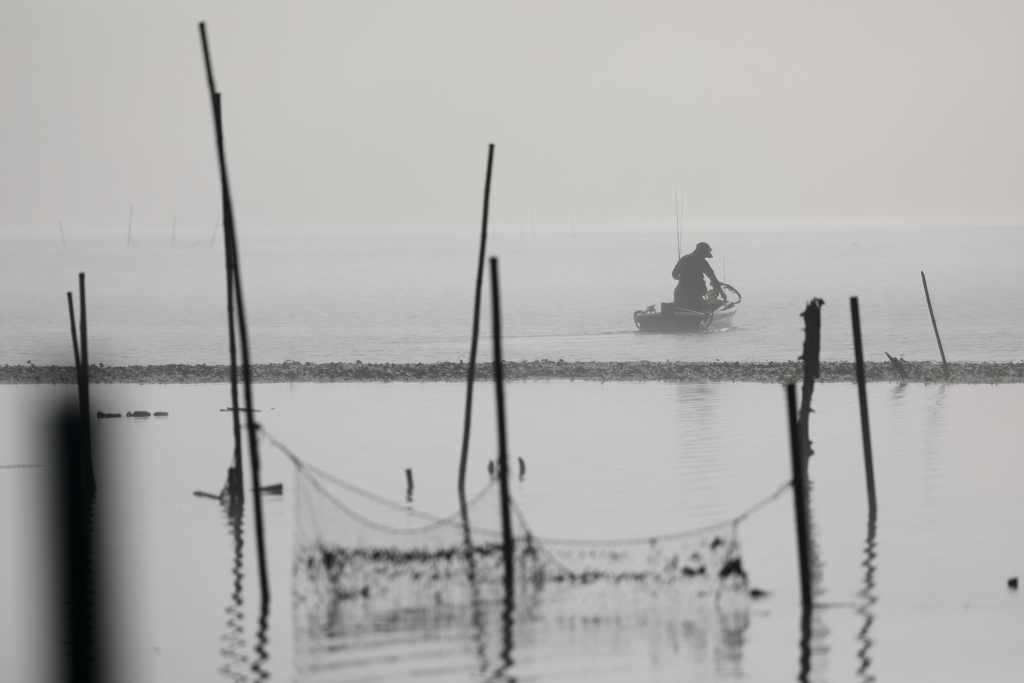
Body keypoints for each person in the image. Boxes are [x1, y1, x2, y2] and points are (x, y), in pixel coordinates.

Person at [672, 242, 722, 310]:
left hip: (682, 293)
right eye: (705, 255)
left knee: (678, 292)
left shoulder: (683, 259)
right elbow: (712, 278)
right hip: (697, 294)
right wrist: (722, 293)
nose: (705, 257)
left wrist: (681, 277)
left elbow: (674, 274)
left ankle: (676, 312)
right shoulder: (702, 261)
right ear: (702, 251)